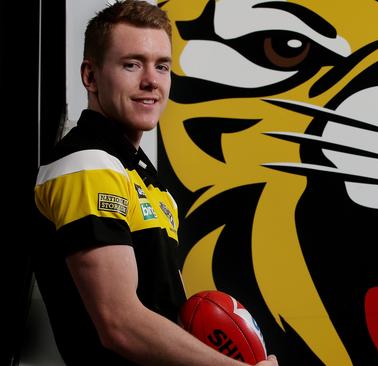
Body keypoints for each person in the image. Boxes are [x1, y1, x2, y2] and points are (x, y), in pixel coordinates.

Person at [32, 1, 278, 365]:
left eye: (161, 66)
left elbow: (160, 313)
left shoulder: (144, 178)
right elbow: (120, 324)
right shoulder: (86, 164)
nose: (151, 80)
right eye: (131, 64)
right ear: (91, 76)